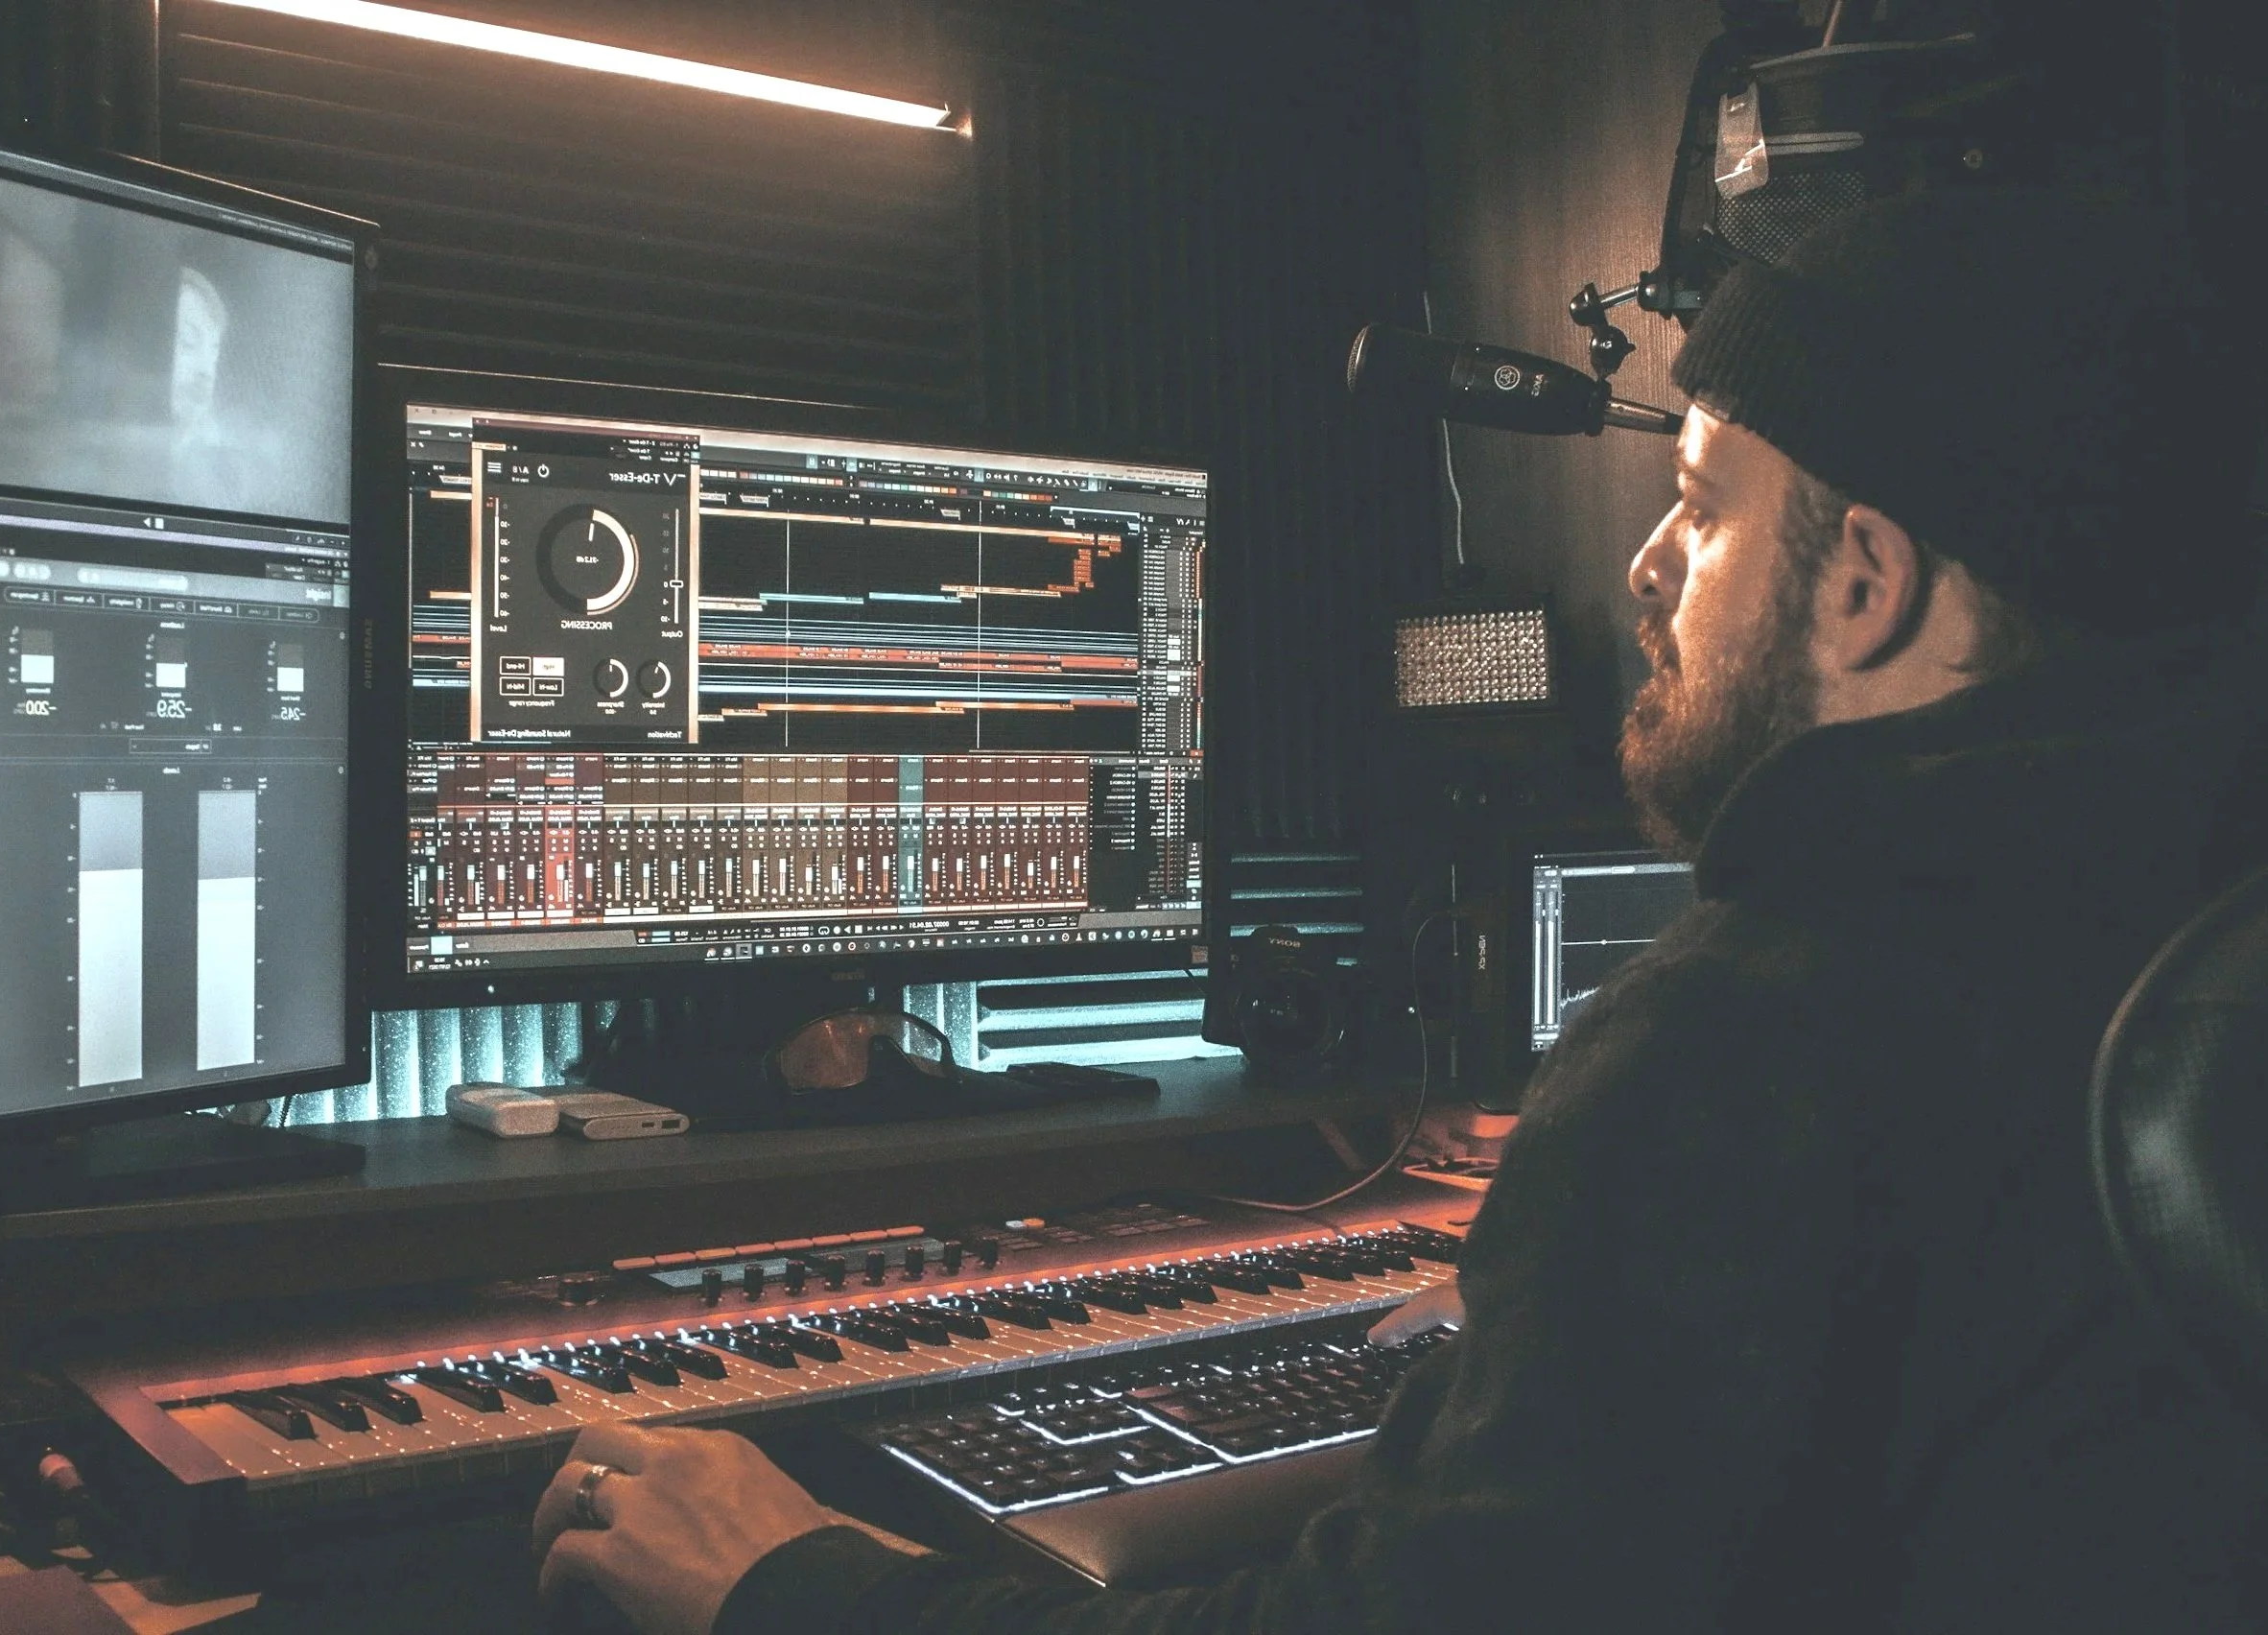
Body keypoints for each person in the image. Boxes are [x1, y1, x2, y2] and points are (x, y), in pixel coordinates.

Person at [532, 190, 2268, 1634]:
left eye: (1704, 507)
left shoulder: (1780, 1018)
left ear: (1871, 582)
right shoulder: (2171, 918)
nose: (1652, 568)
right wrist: (1558, 1343)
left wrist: (803, 1586)